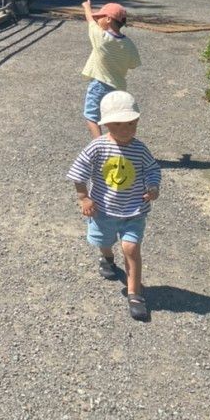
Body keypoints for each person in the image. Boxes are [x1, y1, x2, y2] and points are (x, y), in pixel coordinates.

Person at [67, 91, 161, 321]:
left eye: (131, 123)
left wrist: (153, 186)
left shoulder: (139, 148)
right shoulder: (97, 147)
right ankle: (107, 257)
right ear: (106, 123)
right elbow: (78, 172)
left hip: (133, 210)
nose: (126, 129)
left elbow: (152, 169)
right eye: (119, 124)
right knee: (104, 241)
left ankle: (135, 293)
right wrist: (84, 197)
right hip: (104, 210)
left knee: (131, 249)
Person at [80, 0, 141, 139]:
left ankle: (100, 145)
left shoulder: (101, 38)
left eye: (99, 17)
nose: (97, 20)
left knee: (91, 117)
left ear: (108, 19)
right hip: (119, 86)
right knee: (114, 117)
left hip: (99, 85)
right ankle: (118, 142)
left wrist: (86, 7)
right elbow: (132, 64)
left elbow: (90, 20)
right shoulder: (129, 44)